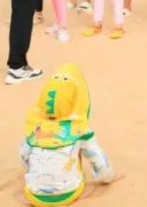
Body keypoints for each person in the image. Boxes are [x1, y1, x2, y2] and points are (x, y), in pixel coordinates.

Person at [20, 64, 115, 207]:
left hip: (34, 193)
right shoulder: (80, 130)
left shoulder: (34, 128)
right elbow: (98, 160)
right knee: (79, 152)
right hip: (68, 191)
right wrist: (107, 176)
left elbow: (23, 158)